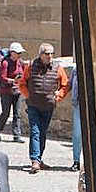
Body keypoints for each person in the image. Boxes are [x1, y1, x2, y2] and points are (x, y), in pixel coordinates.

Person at [18, 43, 69, 173]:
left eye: (51, 53)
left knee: (42, 132)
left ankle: (39, 159)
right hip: (33, 105)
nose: (49, 56)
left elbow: (65, 85)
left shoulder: (58, 68)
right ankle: (35, 160)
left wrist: (58, 97)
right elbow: (22, 83)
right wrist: (28, 96)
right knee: (35, 132)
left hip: (48, 106)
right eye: (47, 53)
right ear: (40, 54)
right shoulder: (30, 66)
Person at [0, 42, 26, 142]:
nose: (19, 55)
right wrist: (13, 80)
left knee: (17, 114)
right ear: (12, 52)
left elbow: (24, 74)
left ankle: (17, 135)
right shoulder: (5, 63)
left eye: (20, 53)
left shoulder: (20, 62)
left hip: (18, 91)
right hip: (6, 91)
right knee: (5, 113)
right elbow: (3, 78)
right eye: (17, 53)